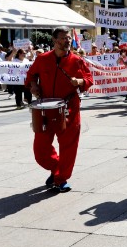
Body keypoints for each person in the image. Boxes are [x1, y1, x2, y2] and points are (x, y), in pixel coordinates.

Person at [25, 26, 94, 192]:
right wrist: (34, 86)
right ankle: (56, 168)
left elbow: (89, 79)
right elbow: (31, 76)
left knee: (69, 147)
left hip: (69, 108)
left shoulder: (78, 60)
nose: (67, 41)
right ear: (55, 41)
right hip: (45, 109)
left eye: (69, 38)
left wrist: (80, 82)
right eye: (63, 38)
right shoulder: (42, 59)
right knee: (40, 151)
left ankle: (61, 178)